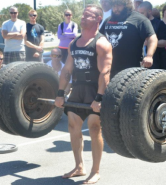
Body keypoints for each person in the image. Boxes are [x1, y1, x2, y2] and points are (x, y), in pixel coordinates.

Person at [55, 4, 112, 184]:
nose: (83, 17)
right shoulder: (74, 43)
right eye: (83, 14)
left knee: (95, 129)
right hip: (78, 89)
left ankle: (95, 171)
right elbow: (67, 70)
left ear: (98, 20)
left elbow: (105, 73)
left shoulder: (101, 43)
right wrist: (60, 93)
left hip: (95, 90)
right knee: (73, 125)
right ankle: (79, 166)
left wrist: (99, 98)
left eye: (88, 15)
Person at [100, 0, 158, 77]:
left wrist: (149, 56)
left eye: (119, 5)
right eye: (114, 6)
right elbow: (99, 38)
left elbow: (152, 37)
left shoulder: (139, 19)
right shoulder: (108, 20)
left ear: (127, 5)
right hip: (109, 67)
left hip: (131, 69)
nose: (116, 9)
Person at [138, 1, 166, 70]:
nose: (140, 15)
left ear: (149, 11)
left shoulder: (160, 24)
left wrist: (150, 42)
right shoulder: (138, 24)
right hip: (140, 62)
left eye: (142, 13)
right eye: (139, 13)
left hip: (157, 61)